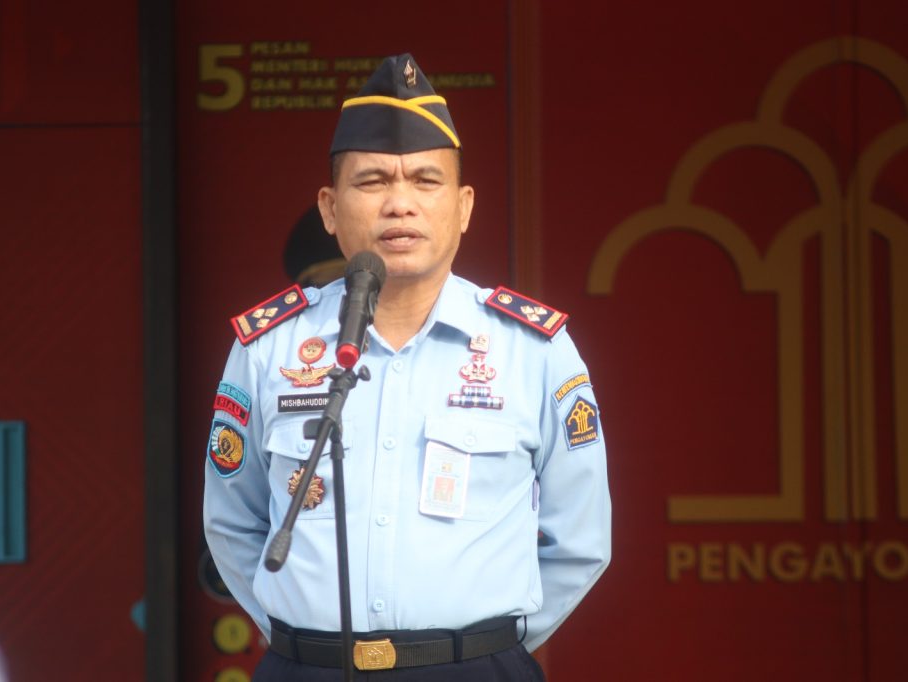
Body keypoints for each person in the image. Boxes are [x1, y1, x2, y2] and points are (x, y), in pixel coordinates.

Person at [203, 53, 611, 681]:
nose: (400, 204)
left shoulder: (533, 351)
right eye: (372, 182)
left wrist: (484, 646)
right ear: (329, 208)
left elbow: (580, 541)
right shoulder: (270, 349)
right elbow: (232, 524)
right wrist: (302, 638)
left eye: (425, 181)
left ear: (464, 206)